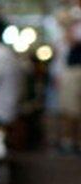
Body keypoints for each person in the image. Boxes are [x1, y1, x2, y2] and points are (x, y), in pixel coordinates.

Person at [57, 5, 81, 153]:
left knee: (74, 108)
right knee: (68, 108)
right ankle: (69, 141)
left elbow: (72, 41)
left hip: (76, 70)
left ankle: (73, 141)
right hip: (70, 69)